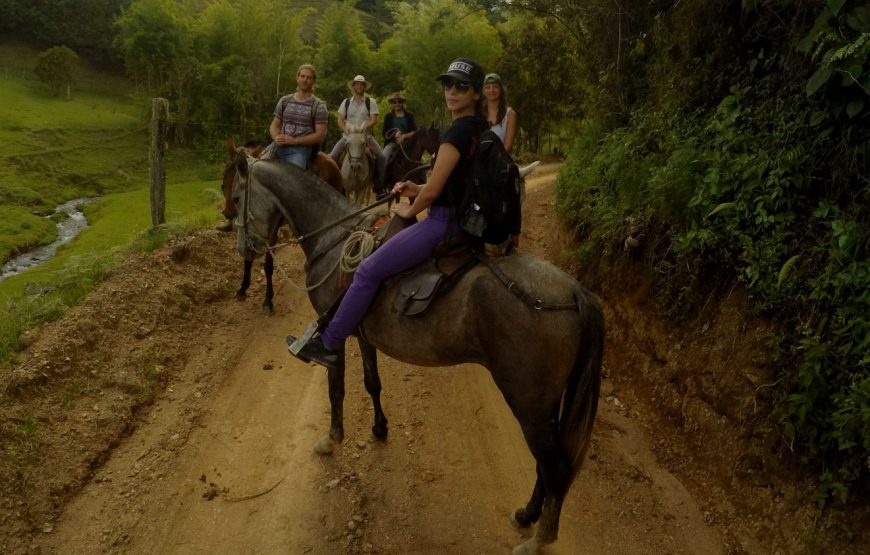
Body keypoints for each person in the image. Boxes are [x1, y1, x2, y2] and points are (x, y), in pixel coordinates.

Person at [287, 58, 487, 370]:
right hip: (461, 217)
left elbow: (436, 193)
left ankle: (328, 344)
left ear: (476, 93)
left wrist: (413, 206)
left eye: (462, 86)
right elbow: (451, 182)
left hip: (442, 223)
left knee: (366, 270)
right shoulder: (479, 129)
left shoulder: (456, 133)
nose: (452, 91)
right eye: (448, 84)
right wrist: (418, 187)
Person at [329, 75, 387, 194]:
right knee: (332, 157)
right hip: (348, 137)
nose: (359, 86)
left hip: (366, 136)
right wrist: (346, 130)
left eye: (361, 84)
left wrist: (363, 128)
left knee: (381, 157)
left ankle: (379, 187)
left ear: (364, 87)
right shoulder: (345, 102)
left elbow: (373, 119)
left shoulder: (370, 102)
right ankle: (333, 186)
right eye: (357, 84)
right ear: (353, 87)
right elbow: (340, 120)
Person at [268, 64, 328, 169]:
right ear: (297, 78)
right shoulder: (284, 100)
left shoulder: (319, 105)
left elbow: (320, 134)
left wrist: (295, 141)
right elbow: (274, 125)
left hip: (301, 149)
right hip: (279, 146)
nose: (305, 80)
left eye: (309, 78)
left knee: (293, 179)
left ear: (314, 81)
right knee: (255, 169)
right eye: (302, 76)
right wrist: (276, 138)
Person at [481, 73, 516, 152]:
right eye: (488, 87)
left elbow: (507, 146)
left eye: (495, 87)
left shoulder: (510, 114)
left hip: (500, 160)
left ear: (501, 89)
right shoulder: (478, 113)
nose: (491, 90)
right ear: (483, 90)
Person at [382, 91, 418, 166]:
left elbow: (415, 131)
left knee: (419, 160)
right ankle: (381, 177)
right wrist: (395, 135)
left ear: (402, 103)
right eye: (395, 102)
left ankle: (424, 177)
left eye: (399, 102)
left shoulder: (409, 115)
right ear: (392, 104)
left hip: (408, 142)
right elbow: (384, 133)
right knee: (384, 159)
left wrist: (404, 136)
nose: (397, 104)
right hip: (392, 143)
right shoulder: (388, 116)